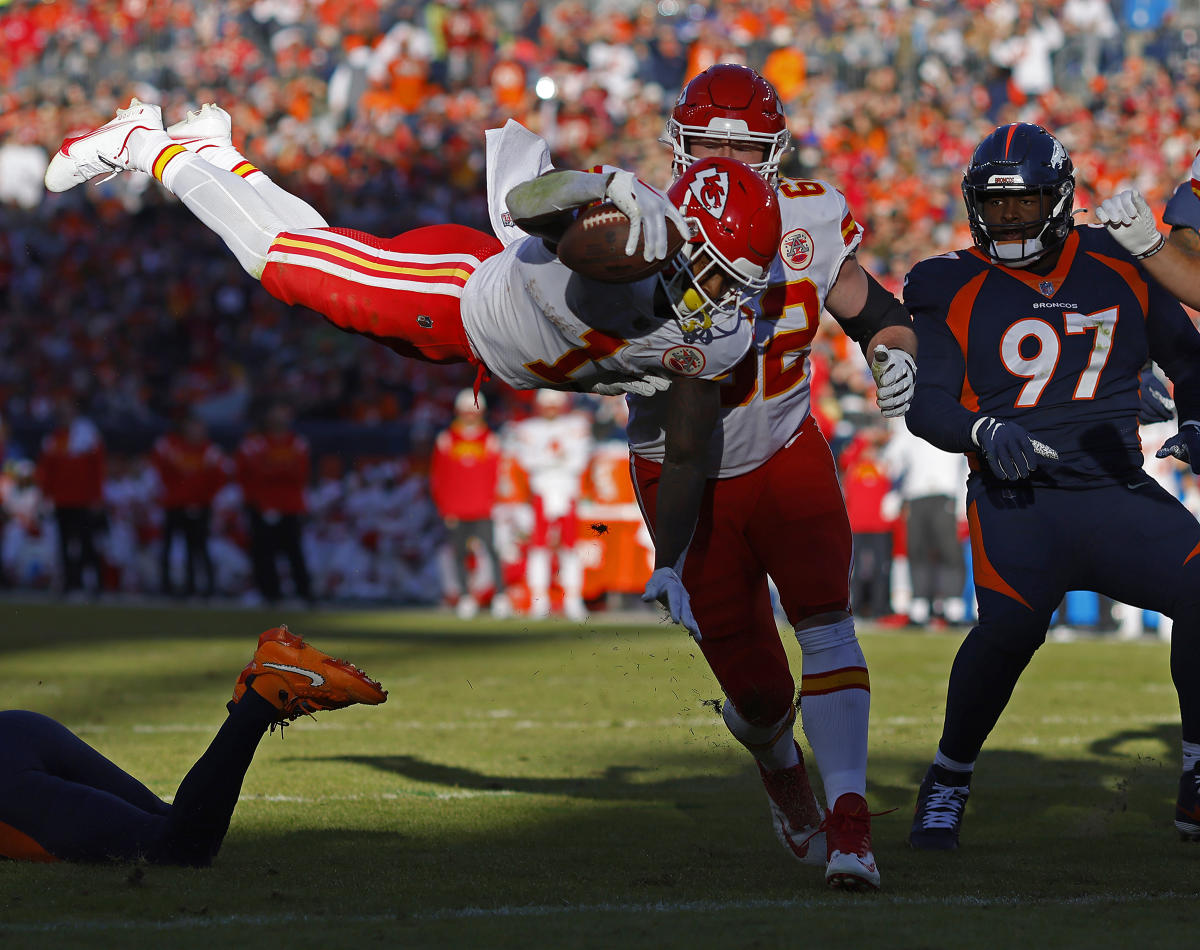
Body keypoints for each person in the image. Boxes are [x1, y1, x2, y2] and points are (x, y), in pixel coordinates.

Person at [43, 99, 782, 612]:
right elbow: (531, 205)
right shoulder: (628, 236)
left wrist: (668, 561)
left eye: (736, 286)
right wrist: (600, 187)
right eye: (715, 273)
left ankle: (217, 156)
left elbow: (685, 454)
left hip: (465, 343)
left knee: (315, 257)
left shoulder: (717, 332)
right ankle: (147, 144)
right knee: (280, 261)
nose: (719, 297)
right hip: (454, 292)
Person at [626, 64, 918, 890]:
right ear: (676, 146)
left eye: (744, 146)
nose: (724, 158)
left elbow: (874, 310)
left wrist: (894, 353)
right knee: (757, 696)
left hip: (786, 445)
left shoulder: (812, 214)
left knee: (828, 618)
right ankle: (780, 761)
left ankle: (852, 824)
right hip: (681, 475)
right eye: (708, 144)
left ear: (774, 150)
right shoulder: (636, 226)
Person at [902, 122, 1200, 850]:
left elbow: (1189, 359)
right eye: (995, 205)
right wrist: (981, 431)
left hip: (1113, 488)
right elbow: (928, 402)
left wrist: (1194, 417)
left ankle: (1197, 771)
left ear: (1061, 199)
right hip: (1018, 497)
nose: (1009, 220)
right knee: (1008, 632)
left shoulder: (1117, 258)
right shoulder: (948, 280)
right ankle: (949, 776)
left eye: (1025, 203)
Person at [0, 626, 386, 864]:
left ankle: (268, 690)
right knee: (174, 826)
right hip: (19, 729)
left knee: (180, 847)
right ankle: (264, 684)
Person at [504, 389, 593, 620]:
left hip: (567, 491)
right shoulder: (528, 428)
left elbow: (579, 461)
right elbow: (526, 461)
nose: (551, 408)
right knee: (539, 547)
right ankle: (539, 600)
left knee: (570, 547)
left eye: (555, 404)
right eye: (547, 404)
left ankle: (573, 598)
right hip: (541, 491)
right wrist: (557, 456)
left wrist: (546, 457)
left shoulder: (576, 424)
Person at [430, 388, 511, 619]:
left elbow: (498, 476)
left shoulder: (490, 440)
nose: (470, 415)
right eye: (466, 410)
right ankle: (465, 596)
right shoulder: (446, 440)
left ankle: (500, 596)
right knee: (459, 554)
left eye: (474, 410)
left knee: (492, 552)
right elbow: (438, 478)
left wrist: (496, 503)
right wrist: (444, 507)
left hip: (483, 508)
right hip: (456, 510)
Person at [235, 402, 313, 605]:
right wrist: (278, 470)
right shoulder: (253, 443)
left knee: (294, 551)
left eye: (284, 412)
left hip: (290, 505)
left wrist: (271, 469)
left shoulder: (297, 443)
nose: (281, 417)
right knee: (263, 552)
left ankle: (305, 594)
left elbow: (299, 473)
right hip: (262, 505)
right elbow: (248, 472)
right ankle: (270, 595)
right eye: (277, 411)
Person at [151, 412, 229, 599]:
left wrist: (202, 499)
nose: (195, 431)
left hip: (200, 506)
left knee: (199, 547)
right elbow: (158, 472)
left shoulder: (211, 451)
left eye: (199, 427)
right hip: (174, 505)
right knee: (168, 547)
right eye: (192, 426)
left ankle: (205, 589)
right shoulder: (169, 446)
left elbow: (219, 479)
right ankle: (167, 587)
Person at [36, 398, 106, 597]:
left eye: (67, 412)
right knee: (64, 544)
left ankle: (95, 585)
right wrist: (44, 498)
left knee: (88, 543)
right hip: (61, 500)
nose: (64, 416)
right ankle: (69, 584)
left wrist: (98, 497)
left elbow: (97, 469)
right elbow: (46, 473)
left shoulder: (88, 435)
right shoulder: (52, 440)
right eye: (61, 412)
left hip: (84, 500)